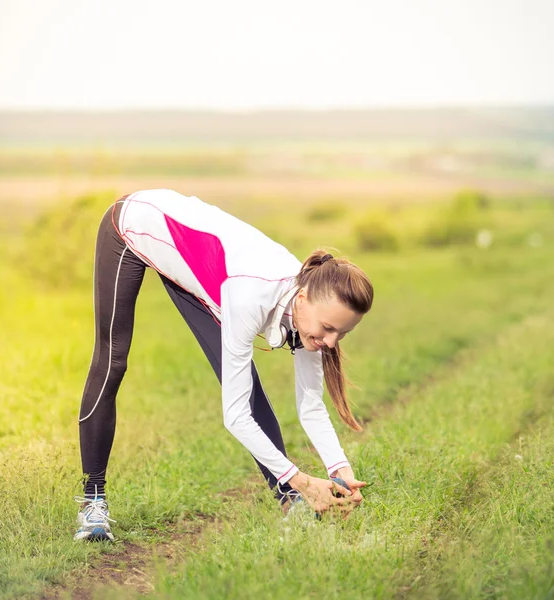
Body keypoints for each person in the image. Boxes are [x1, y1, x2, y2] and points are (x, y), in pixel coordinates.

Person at [74, 189, 374, 542]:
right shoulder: (251, 297)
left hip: (203, 268)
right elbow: (234, 417)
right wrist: (303, 480)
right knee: (114, 361)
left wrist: (339, 468)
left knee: (250, 390)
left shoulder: (309, 305)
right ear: (303, 300)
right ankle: (92, 502)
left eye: (341, 333)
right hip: (133, 227)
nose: (331, 342)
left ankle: (292, 507)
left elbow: (310, 405)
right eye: (328, 329)